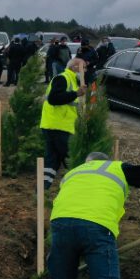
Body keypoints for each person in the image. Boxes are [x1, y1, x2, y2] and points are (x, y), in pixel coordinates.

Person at [39, 58, 87, 190]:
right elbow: (54, 99)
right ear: (75, 68)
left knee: (53, 159)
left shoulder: (71, 80)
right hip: (58, 126)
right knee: (70, 157)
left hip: (55, 125)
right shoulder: (62, 78)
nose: (85, 71)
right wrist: (76, 93)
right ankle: (78, 186)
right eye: (84, 68)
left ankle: (42, 189)